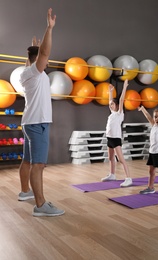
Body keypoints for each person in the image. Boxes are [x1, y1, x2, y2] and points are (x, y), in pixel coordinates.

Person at [18, 8, 65, 216]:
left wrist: (34, 49)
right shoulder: (36, 73)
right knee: (38, 164)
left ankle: (25, 192)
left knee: (27, 161)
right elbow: (44, 54)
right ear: (38, 60)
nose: (45, 61)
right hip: (38, 124)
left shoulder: (26, 72)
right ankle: (40, 205)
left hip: (30, 123)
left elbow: (34, 58)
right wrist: (49, 28)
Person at [101, 80, 133, 187]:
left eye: (112, 104)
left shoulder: (119, 114)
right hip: (109, 138)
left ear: (117, 105)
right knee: (111, 158)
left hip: (116, 139)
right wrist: (110, 91)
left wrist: (124, 87)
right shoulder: (112, 113)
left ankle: (128, 178)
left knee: (121, 159)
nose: (110, 105)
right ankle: (112, 174)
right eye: (110, 104)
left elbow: (121, 99)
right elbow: (110, 100)